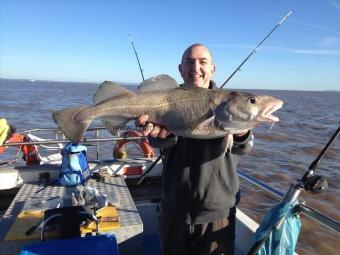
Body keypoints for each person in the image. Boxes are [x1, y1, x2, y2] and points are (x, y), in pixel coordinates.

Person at [137, 44, 254, 255]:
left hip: (216, 213)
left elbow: (243, 147)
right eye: (189, 62)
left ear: (213, 69)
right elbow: (157, 144)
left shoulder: (231, 104)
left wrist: (241, 133)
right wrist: (158, 135)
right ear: (180, 69)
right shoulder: (165, 100)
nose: (196, 67)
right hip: (174, 208)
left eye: (203, 62)